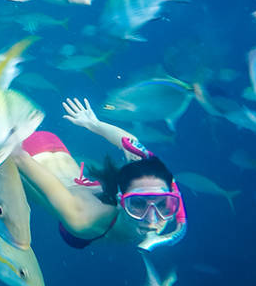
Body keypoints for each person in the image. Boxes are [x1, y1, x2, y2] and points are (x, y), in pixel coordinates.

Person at [13, 97, 186, 251]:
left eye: (164, 205)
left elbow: (134, 145)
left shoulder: (151, 183)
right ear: (120, 201)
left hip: (57, 154)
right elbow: (18, 158)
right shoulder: (83, 219)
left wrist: (94, 124)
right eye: (138, 204)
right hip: (29, 152)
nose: (152, 219)